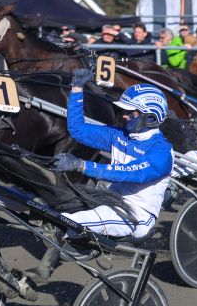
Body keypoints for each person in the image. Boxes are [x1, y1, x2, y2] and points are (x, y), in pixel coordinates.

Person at [48, 72, 173, 239]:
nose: (123, 115)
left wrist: (81, 165)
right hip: (109, 200)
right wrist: (77, 89)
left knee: (67, 220)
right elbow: (78, 129)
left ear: (149, 117)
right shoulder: (119, 135)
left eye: (130, 112)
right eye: (123, 110)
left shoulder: (162, 153)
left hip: (137, 215)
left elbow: (126, 173)